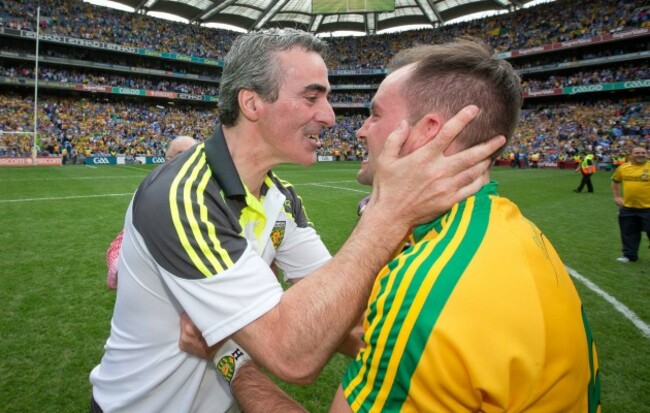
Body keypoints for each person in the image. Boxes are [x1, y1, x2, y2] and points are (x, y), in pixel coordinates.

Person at [89, 29, 503, 413]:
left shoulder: (280, 198)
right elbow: (292, 353)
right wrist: (388, 214)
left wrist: (455, 362)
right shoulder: (183, 196)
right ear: (252, 103)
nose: (329, 116)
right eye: (312, 97)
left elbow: (344, 316)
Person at [183, 38, 601, 413]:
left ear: (428, 132)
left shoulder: (429, 286)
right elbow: (371, 333)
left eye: (375, 113)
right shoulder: (517, 233)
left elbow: (312, 350)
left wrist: (231, 357)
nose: (359, 129)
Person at [105, 135, 197, 290]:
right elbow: (122, 240)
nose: (189, 160)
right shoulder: (150, 194)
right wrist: (121, 267)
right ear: (168, 160)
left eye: (195, 154)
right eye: (182, 155)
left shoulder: (213, 193)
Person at [611, 146, 650, 263]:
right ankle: (629, 255)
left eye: (643, 153)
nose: (641, 154)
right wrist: (617, 196)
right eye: (637, 152)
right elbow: (615, 181)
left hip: (648, 208)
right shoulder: (623, 168)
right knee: (628, 232)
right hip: (628, 208)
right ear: (631, 155)